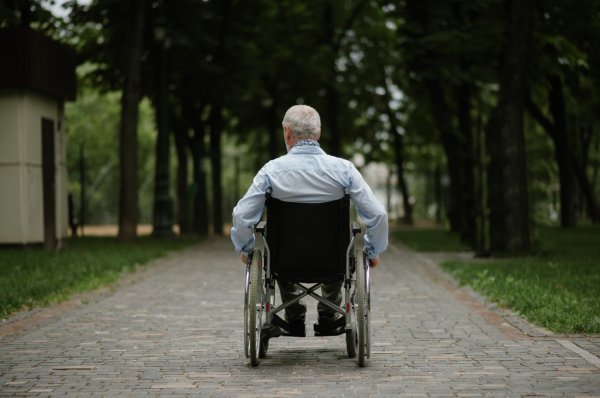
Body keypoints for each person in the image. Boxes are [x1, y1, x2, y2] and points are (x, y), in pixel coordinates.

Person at [231, 104, 388, 336]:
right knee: (340, 250)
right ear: (319, 133)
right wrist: (372, 251)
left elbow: (242, 216)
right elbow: (378, 215)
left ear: (287, 132)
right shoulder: (344, 170)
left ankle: (294, 317)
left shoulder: (271, 171)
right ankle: (328, 315)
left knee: (279, 252)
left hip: (285, 261)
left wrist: (245, 247)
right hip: (332, 261)